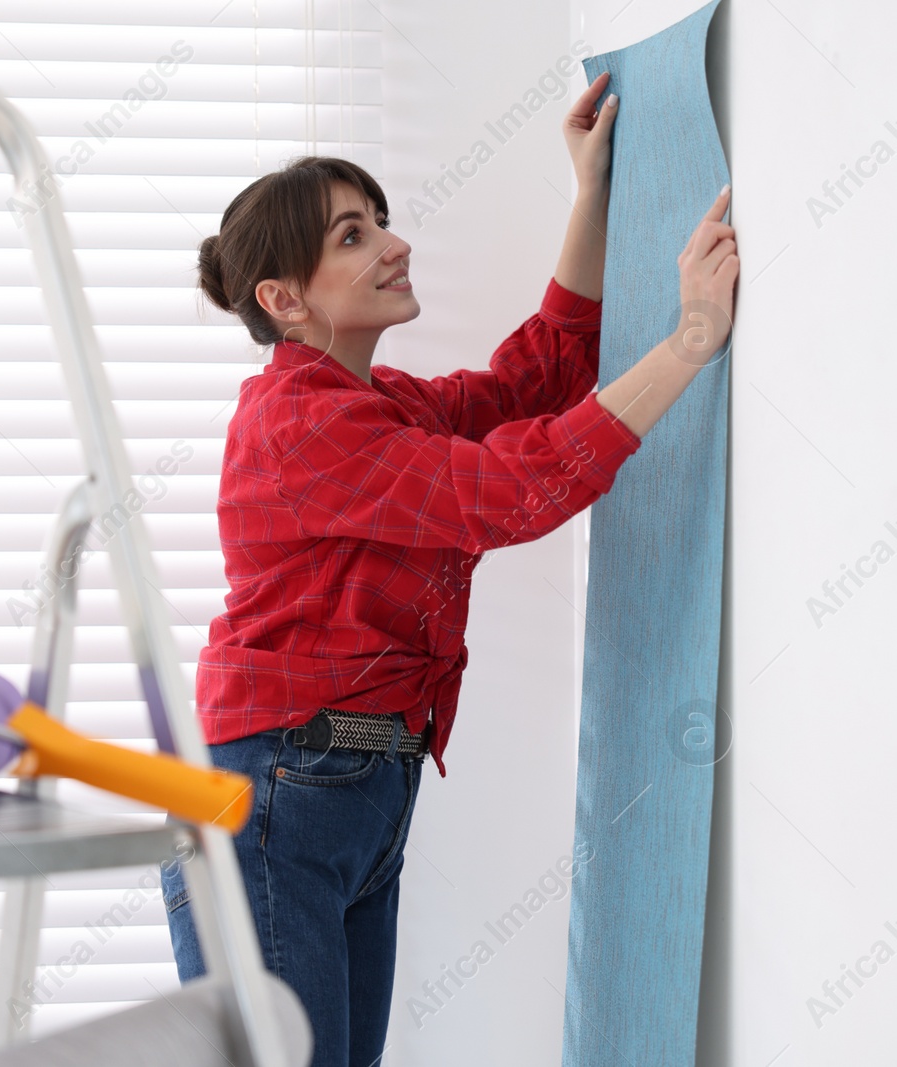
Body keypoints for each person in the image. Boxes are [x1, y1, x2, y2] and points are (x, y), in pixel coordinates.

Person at [158, 69, 737, 1066]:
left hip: (340, 786)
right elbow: (516, 490)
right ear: (282, 298)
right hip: (277, 796)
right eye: (352, 235)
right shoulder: (304, 425)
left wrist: (591, 192)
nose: (393, 242)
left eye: (378, 220)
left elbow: (534, 376)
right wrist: (688, 342)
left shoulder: (376, 409)